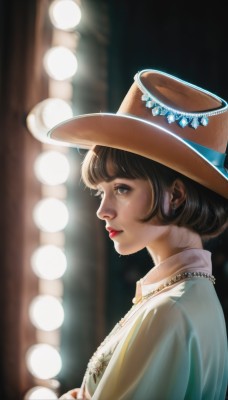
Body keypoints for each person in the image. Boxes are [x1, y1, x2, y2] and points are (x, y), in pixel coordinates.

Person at [46, 69, 228, 399]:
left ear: (176, 195)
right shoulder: (186, 298)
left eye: (122, 188)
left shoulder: (169, 311)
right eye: (100, 191)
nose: (104, 210)